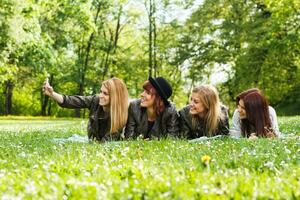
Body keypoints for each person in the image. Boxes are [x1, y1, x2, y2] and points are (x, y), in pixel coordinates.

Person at [42, 77, 129, 141]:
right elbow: (72, 101)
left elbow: (109, 141)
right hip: (92, 140)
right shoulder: (95, 100)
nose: (101, 96)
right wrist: (52, 94)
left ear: (115, 97)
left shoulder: (124, 113)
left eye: (105, 93)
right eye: (101, 92)